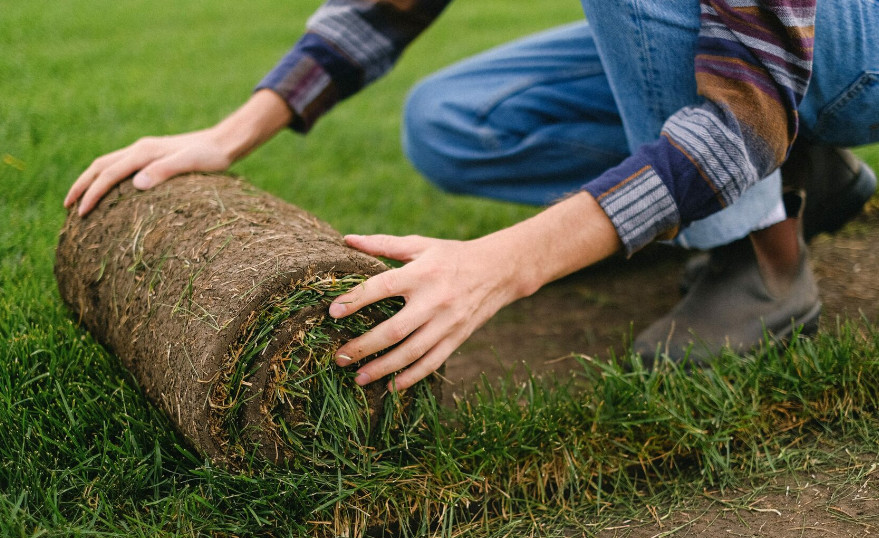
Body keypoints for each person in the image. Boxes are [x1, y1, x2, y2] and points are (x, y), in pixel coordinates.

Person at [65, 0, 879, 390]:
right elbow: (385, 7)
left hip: (845, 43)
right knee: (452, 120)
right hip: (742, 37)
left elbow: (743, 114)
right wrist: (230, 133)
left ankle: (758, 256)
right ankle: (799, 176)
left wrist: (503, 264)